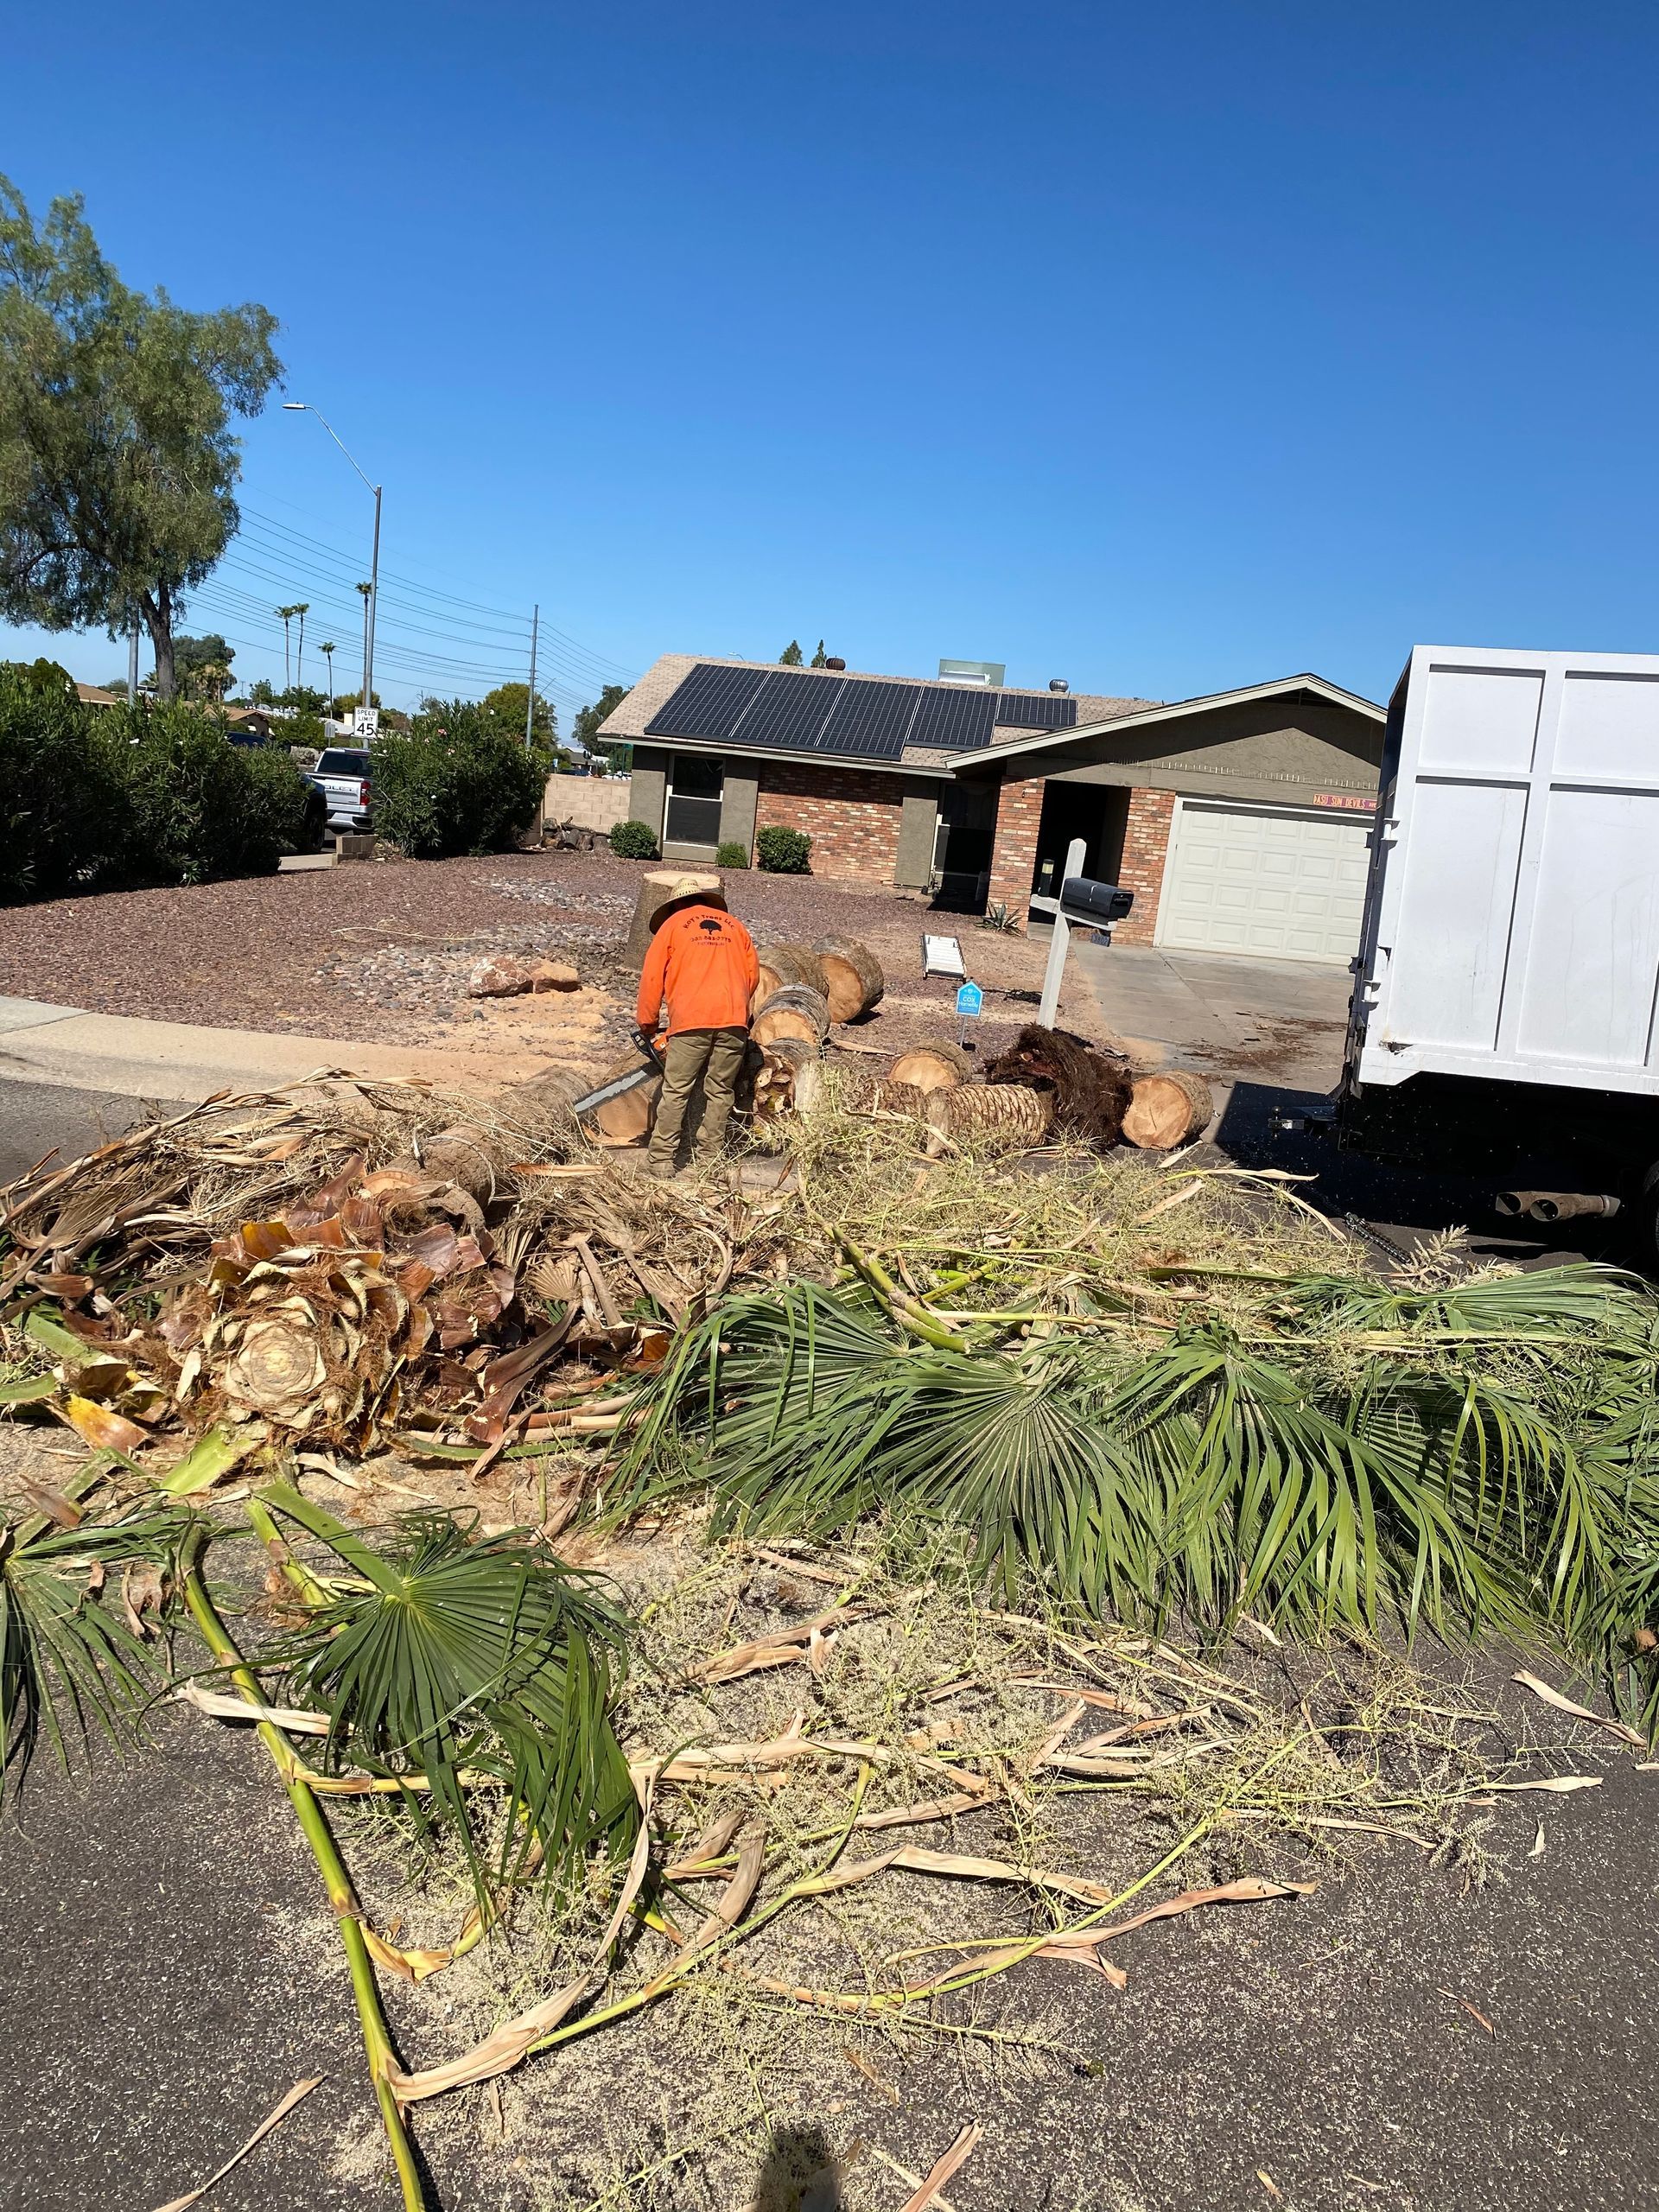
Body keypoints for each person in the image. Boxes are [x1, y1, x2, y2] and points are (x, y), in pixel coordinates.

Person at [635, 878, 759, 1178]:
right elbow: (752, 976)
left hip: (691, 1020)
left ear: (676, 904)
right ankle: (710, 1161)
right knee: (720, 1090)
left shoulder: (672, 927)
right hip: (734, 1020)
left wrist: (648, 1025)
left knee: (676, 1090)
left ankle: (661, 1161)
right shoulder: (735, 926)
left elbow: (652, 979)